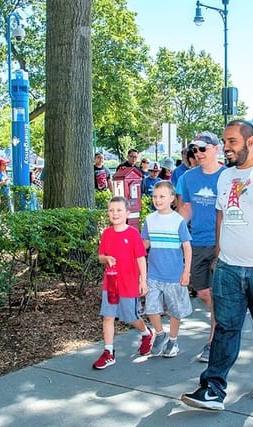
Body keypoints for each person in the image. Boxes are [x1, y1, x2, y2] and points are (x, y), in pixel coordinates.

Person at [181, 120, 253, 410]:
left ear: (250, 142)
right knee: (225, 328)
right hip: (229, 268)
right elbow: (221, 216)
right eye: (225, 141)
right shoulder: (224, 177)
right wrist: (219, 255)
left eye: (232, 141)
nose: (227, 147)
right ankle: (213, 388)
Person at [177, 131, 226, 363]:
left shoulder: (229, 176)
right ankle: (222, 321)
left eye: (203, 149)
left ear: (217, 149)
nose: (198, 153)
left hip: (223, 245)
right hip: (196, 243)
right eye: (194, 150)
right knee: (204, 292)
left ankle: (213, 341)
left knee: (216, 293)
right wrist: (172, 231)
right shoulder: (188, 178)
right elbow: (186, 208)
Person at [93, 196, 153, 369]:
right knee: (108, 316)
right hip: (111, 283)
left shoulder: (133, 233)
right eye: (111, 210)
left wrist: (143, 280)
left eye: (119, 210)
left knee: (131, 317)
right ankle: (109, 351)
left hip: (129, 283)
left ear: (127, 213)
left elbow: (140, 258)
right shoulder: (106, 233)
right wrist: (106, 258)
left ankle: (146, 333)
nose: (115, 213)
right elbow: (100, 256)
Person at [141, 181, 192, 358]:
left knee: (174, 310)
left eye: (162, 196)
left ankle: (173, 340)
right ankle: (160, 334)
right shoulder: (149, 220)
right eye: (155, 196)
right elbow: (145, 243)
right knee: (151, 308)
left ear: (172, 198)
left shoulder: (178, 221)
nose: (157, 199)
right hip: (154, 274)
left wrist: (186, 272)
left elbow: (187, 247)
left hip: (174, 276)